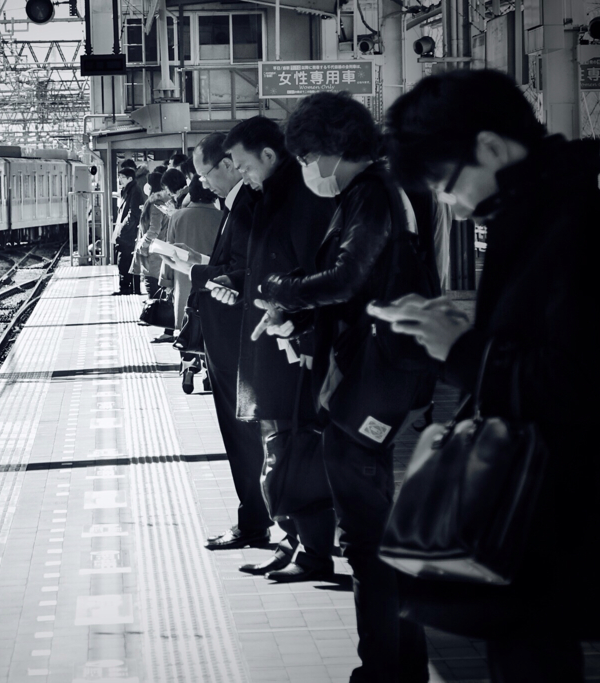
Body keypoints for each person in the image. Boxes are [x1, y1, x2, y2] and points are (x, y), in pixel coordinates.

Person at [382, 69, 600, 683]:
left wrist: (463, 349)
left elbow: (577, 382)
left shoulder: (571, 227)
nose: (451, 204)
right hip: (546, 501)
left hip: (558, 501)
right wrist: (469, 326)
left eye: (447, 183)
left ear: (489, 147)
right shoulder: (541, 212)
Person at [254, 92, 430, 682]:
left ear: (330, 149)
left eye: (307, 156)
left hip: (372, 379)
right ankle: (398, 664)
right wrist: (297, 316)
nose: (306, 169)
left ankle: (381, 670)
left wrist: (283, 290)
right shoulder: (365, 195)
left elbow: (348, 277)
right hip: (372, 375)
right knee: (374, 528)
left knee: (366, 535)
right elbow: (355, 285)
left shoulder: (372, 195)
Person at [215, 115, 337, 583]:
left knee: (292, 446)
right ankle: (298, 546)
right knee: (281, 446)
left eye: (244, 166)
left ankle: (311, 551)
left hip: (291, 348)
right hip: (276, 339)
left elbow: (313, 274)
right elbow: (272, 270)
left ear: (269, 155)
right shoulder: (274, 195)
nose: (241, 176)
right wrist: (238, 284)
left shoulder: (298, 198)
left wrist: (297, 326)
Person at [180, 132, 272, 550]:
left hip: (237, 340)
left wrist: (199, 272)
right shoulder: (235, 205)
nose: (202, 183)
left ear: (227, 165)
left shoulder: (248, 205)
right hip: (230, 338)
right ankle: (256, 517)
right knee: (244, 436)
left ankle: (257, 520)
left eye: (205, 173)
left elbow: (246, 271)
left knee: (244, 436)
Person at [160, 176, 222, 331]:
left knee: (185, 327)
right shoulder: (223, 217)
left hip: (184, 278)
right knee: (211, 329)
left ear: (191, 192)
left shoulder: (177, 216)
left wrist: (166, 281)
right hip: (214, 281)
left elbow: (169, 250)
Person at [134, 168, 187, 343]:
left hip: (161, 252)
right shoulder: (169, 201)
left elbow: (154, 229)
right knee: (168, 292)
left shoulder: (160, 203)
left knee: (161, 289)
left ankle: (161, 322)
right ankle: (168, 328)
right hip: (168, 251)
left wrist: (144, 244)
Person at [112, 166, 144, 295]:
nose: (119, 179)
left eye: (122, 177)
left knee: (125, 260)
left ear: (130, 178)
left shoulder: (134, 191)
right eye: (119, 176)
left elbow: (133, 213)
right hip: (126, 232)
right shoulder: (128, 190)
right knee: (125, 260)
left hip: (129, 234)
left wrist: (123, 230)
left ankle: (126, 288)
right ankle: (126, 287)